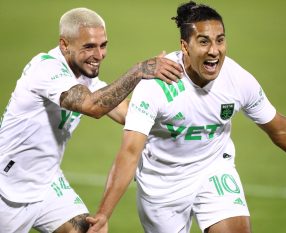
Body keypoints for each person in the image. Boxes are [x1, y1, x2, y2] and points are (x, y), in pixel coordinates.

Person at [87, 2, 286, 233]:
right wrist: (103, 214)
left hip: (213, 170)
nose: (215, 50)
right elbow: (130, 151)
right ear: (185, 46)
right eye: (204, 42)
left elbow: (277, 127)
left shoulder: (237, 80)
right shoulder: (157, 84)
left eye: (220, 40)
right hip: (162, 185)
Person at [0, 7, 183, 233]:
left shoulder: (83, 76)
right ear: (64, 44)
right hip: (8, 188)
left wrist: (178, 123)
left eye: (103, 45)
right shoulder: (46, 69)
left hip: (47, 183)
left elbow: (128, 114)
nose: (98, 55)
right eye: (89, 47)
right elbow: (93, 106)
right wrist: (140, 70)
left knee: (93, 230)